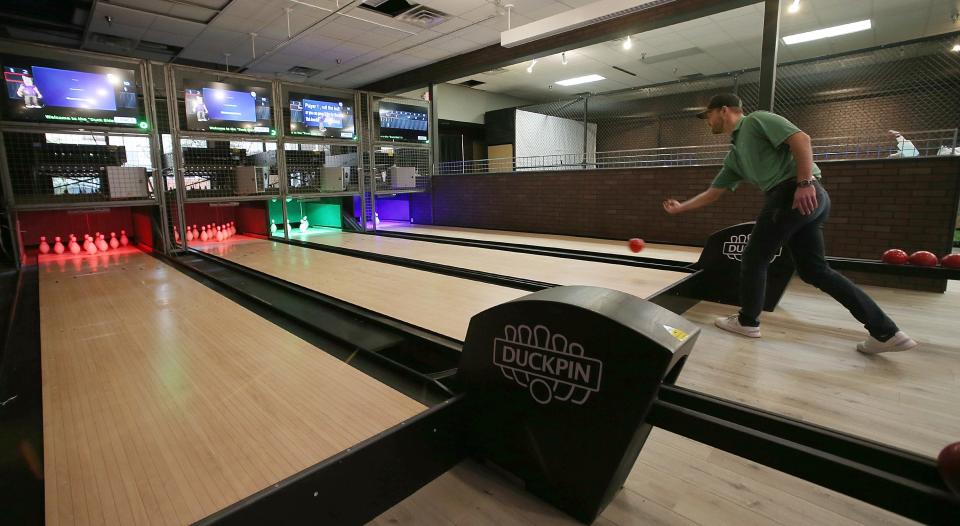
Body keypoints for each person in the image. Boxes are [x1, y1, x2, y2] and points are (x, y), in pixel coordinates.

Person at [662, 93, 916, 354]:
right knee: (814, 271)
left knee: (754, 257)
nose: (707, 122)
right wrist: (682, 207)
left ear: (724, 110)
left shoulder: (756, 121)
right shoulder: (736, 154)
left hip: (795, 193)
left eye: (709, 115)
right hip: (805, 200)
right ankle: (886, 332)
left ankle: (747, 322)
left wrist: (804, 183)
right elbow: (714, 192)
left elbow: (801, 139)